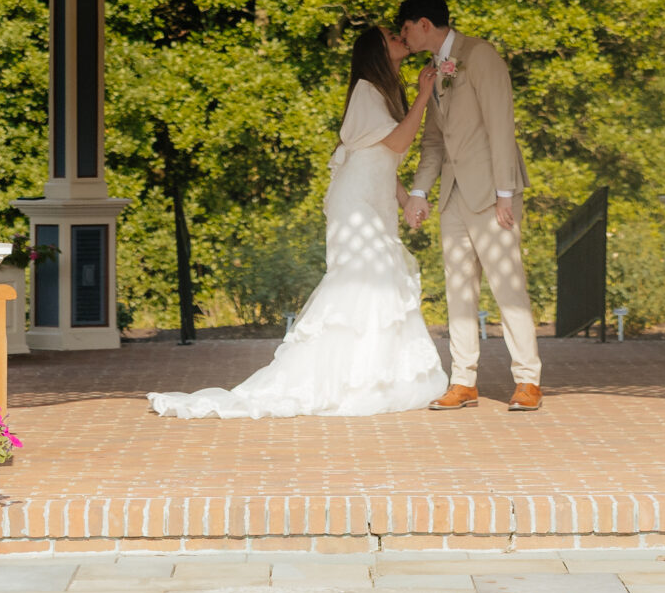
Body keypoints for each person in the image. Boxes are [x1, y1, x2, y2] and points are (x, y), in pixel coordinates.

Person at [148, 25, 448, 419]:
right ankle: (347, 378)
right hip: (356, 203)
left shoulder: (385, 92)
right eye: (391, 35)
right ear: (376, 51)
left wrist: (406, 197)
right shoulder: (365, 89)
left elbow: (380, 158)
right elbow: (396, 143)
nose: (399, 37)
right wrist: (425, 95)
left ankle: (377, 373)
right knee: (361, 279)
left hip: (375, 198)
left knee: (379, 280)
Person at [397, 0, 542, 412]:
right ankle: (463, 381)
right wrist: (420, 192)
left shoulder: (480, 55)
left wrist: (505, 194)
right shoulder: (432, 69)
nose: (403, 39)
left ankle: (528, 380)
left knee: (507, 284)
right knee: (458, 288)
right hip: (453, 195)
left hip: (492, 193)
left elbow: (501, 124)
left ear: (424, 24)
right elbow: (434, 139)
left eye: (405, 29)